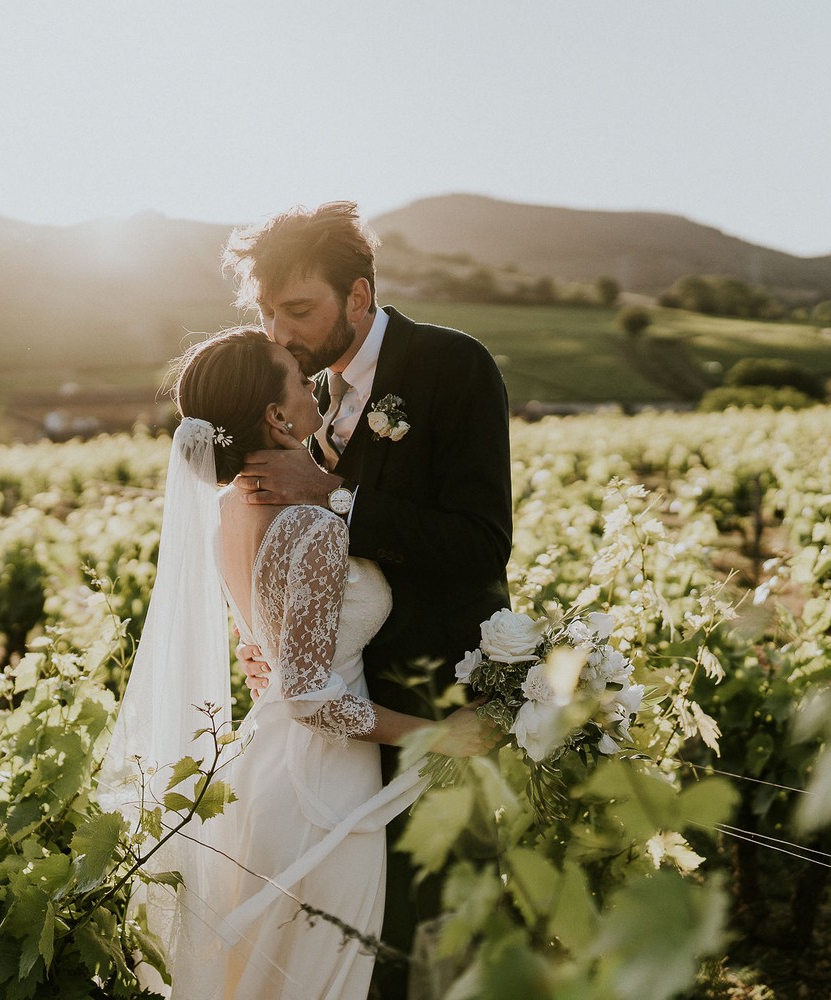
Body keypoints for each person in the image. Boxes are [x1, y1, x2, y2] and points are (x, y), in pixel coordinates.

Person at [99, 327, 496, 1000]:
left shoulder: (227, 509)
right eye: (293, 375)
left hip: (266, 770)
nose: (312, 383)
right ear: (276, 415)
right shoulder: (310, 524)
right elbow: (311, 694)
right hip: (325, 788)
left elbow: (272, 646)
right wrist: (438, 735)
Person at [224, 202, 514, 1000]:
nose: (278, 332)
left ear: (358, 297)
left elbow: (483, 545)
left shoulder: (453, 366)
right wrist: (278, 647)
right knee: (356, 942)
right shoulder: (304, 395)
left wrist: (338, 497)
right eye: (266, 313)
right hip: (341, 719)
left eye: (299, 309)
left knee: (441, 928)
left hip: (435, 693)